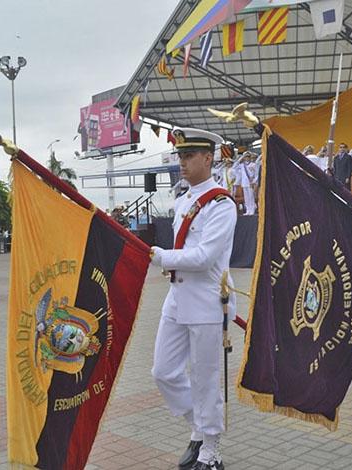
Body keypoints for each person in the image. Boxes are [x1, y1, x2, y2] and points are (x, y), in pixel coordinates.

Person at [149, 127, 237, 470]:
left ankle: (211, 450)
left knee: (205, 377)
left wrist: (162, 257)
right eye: (179, 156)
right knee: (163, 371)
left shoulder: (221, 204)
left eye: (188, 156)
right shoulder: (183, 199)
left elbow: (203, 257)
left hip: (205, 301)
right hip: (177, 298)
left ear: (207, 158)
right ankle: (200, 428)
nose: (182, 163)